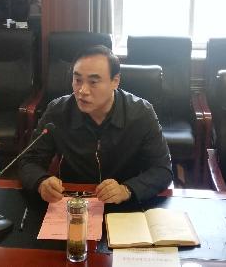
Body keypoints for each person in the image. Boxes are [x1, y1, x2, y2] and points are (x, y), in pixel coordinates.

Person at [17, 45, 172, 204]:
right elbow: (28, 161)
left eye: (93, 82)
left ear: (115, 81)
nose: (82, 91)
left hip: (124, 204)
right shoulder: (57, 111)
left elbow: (162, 169)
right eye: (77, 80)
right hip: (72, 202)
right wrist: (41, 182)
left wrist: (127, 190)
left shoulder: (141, 113)